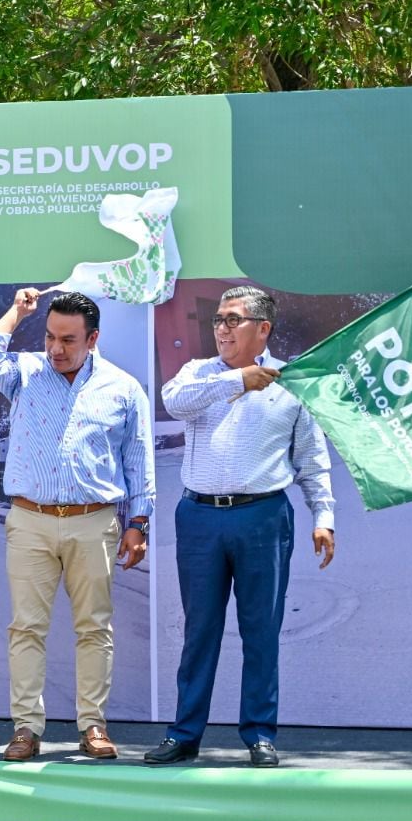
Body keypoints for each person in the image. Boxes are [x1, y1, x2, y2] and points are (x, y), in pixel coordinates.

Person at [145, 287, 335, 769]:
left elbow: (312, 459)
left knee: (261, 630)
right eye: (218, 321)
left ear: (262, 328)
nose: (222, 329)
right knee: (199, 630)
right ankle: (185, 733)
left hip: (263, 515)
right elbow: (175, 402)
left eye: (233, 320)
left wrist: (324, 517)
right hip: (200, 516)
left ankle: (259, 734)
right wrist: (238, 382)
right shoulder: (198, 373)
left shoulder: (292, 382)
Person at [0, 289, 153, 763]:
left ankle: (93, 725)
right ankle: (26, 729)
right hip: (29, 520)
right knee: (26, 628)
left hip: (94, 523)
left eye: (68, 340)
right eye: (50, 336)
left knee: (94, 628)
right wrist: (17, 314)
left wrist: (139, 521)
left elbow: (138, 460)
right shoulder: (24, 374)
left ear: (93, 338)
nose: (55, 348)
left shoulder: (123, 388)